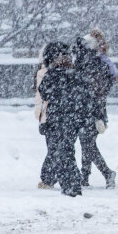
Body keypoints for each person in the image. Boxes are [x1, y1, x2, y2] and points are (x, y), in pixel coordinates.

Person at [37, 42, 87, 197]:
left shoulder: (52, 74)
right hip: (71, 119)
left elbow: (44, 92)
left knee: (58, 152)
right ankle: (73, 181)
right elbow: (83, 95)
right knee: (68, 150)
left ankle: (68, 183)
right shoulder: (75, 74)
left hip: (55, 119)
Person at [73, 35, 117, 189]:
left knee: (87, 144)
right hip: (92, 109)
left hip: (90, 110)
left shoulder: (87, 65)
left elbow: (95, 89)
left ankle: (106, 173)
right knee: (87, 143)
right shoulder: (95, 63)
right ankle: (85, 176)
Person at [34, 45, 57, 190]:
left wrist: (40, 116)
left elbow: (40, 99)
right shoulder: (50, 73)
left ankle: (49, 178)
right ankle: (49, 177)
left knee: (52, 147)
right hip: (53, 115)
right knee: (54, 148)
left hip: (47, 115)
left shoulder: (42, 73)